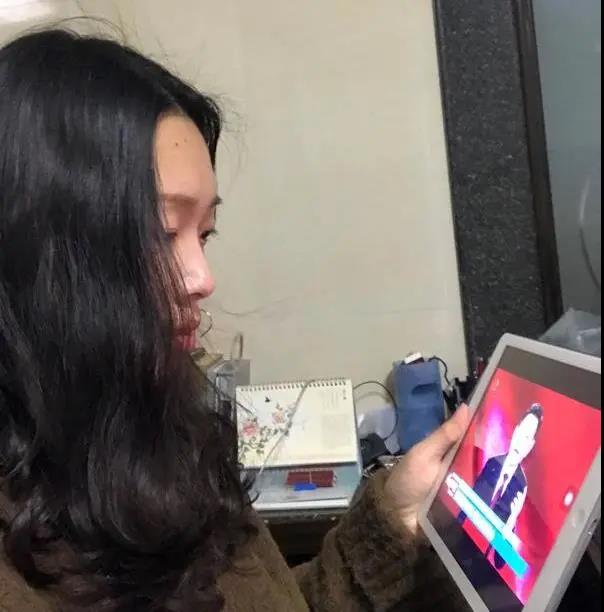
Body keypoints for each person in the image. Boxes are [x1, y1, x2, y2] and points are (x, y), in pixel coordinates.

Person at [0, 29, 469, 612]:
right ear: (38, 255)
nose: (202, 277)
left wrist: (390, 522)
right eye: (163, 232)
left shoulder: (157, 435)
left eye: (204, 235)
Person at [459, 404, 544, 569]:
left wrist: (512, 521)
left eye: (527, 438)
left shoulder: (521, 488)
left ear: (530, 446)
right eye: (522, 433)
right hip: (458, 546)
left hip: (477, 568)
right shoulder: (492, 464)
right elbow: (464, 512)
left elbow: (500, 562)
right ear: (515, 431)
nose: (522, 441)